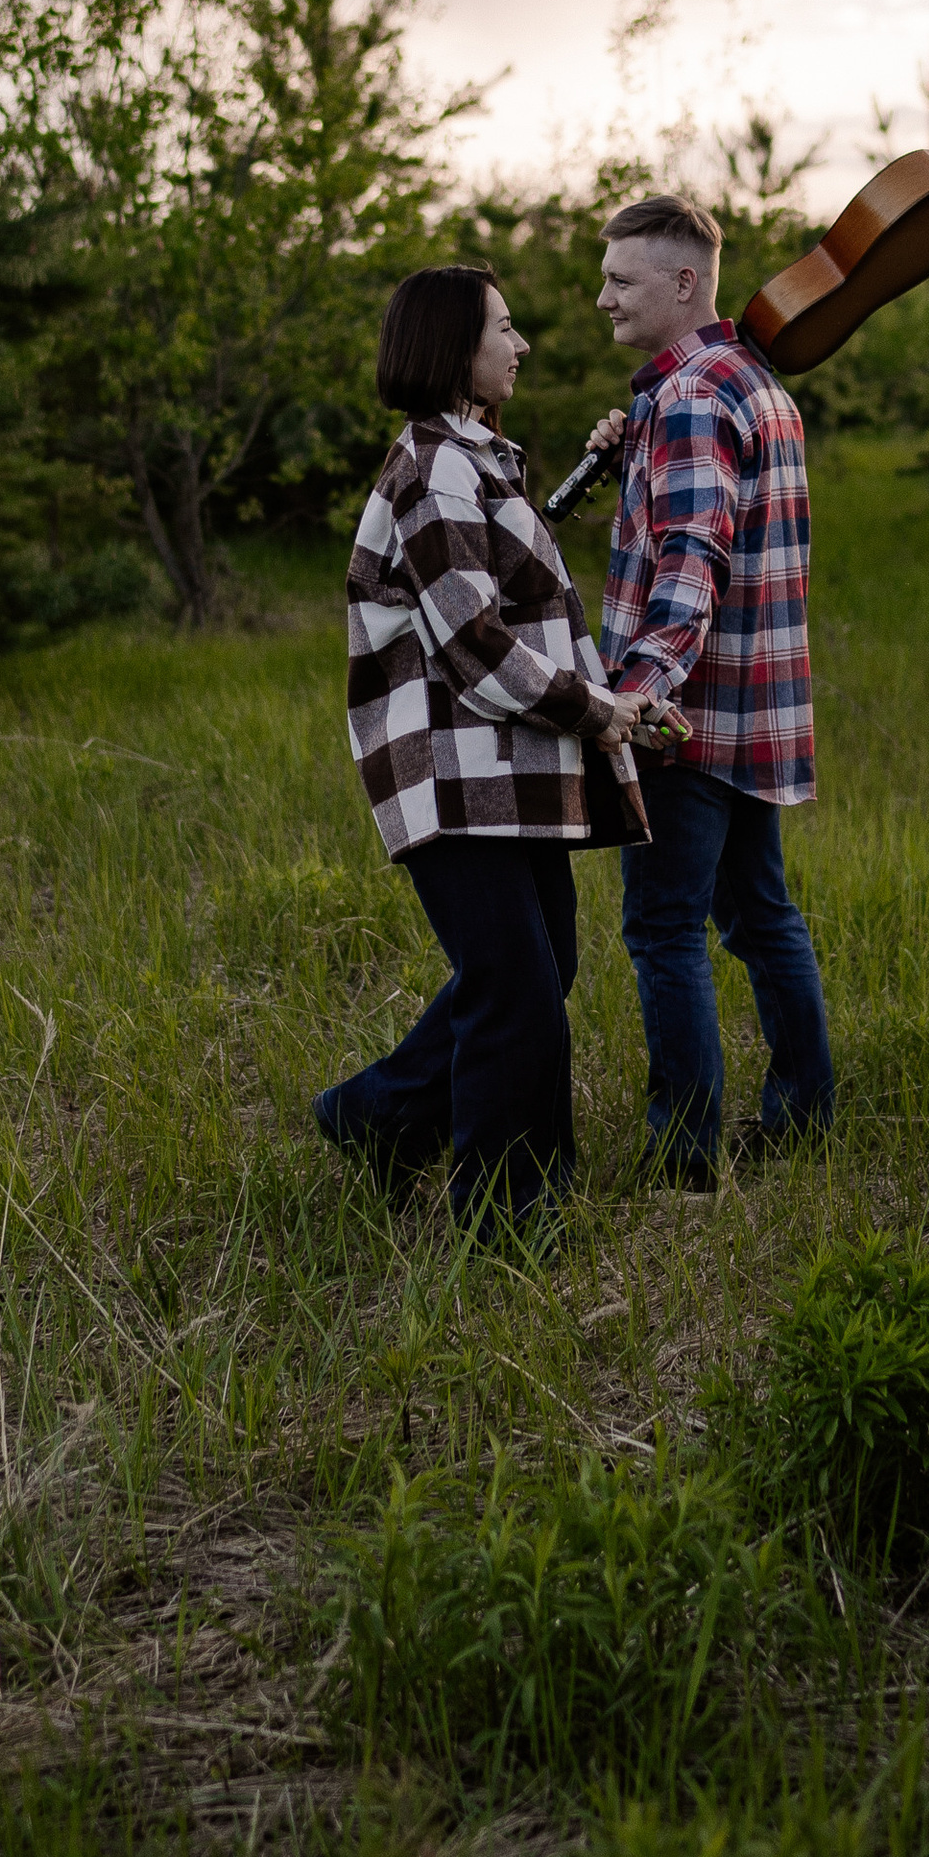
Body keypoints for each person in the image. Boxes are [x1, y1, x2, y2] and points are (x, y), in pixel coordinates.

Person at [317, 264, 654, 1241]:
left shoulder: (473, 461)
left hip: (505, 776)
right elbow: (473, 645)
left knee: (536, 974)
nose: (522, 344)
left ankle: (374, 1117)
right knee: (516, 992)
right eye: (503, 328)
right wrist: (596, 710)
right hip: (457, 778)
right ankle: (506, 1220)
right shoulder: (432, 467)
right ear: (454, 348)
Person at [587, 191, 834, 1187]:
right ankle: (803, 1122)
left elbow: (690, 563)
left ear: (683, 282)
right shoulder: (752, 382)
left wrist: (634, 704)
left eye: (619, 281)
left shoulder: (690, 399)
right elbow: (694, 529)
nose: (599, 299)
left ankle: (683, 1154)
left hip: (685, 721)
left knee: (661, 928)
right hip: (754, 712)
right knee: (760, 917)